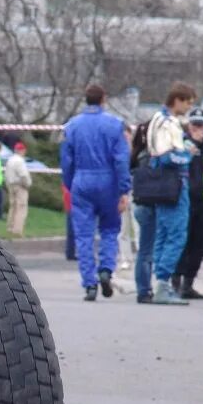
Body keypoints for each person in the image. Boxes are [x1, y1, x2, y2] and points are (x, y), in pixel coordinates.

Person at [61, 83, 131, 301]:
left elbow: (66, 160)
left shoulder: (72, 126)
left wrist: (71, 183)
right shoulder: (115, 125)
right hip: (108, 180)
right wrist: (124, 189)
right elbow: (121, 160)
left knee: (83, 235)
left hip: (82, 179)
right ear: (104, 99)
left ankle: (89, 284)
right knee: (110, 229)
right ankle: (106, 269)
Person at [146, 82, 196, 305]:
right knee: (176, 234)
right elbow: (167, 157)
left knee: (163, 234)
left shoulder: (157, 119)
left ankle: (160, 280)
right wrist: (188, 155)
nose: (188, 108)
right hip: (174, 184)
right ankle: (163, 283)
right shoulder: (167, 123)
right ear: (177, 100)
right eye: (187, 102)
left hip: (162, 186)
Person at [172, 107, 203, 300]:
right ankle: (175, 282)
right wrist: (192, 145)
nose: (197, 129)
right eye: (194, 124)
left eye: (200, 125)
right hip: (185, 197)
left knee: (199, 243)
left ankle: (189, 283)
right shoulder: (180, 142)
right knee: (182, 241)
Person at [129, 120, 156, 303]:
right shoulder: (148, 157)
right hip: (147, 205)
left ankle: (145, 287)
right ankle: (143, 289)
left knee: (145, 249)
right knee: (146, 250)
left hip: (140, 205)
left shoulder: (136, 155)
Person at [5, 141, 32, 237]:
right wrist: (27, 184)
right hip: (20, 186)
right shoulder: (20, 161)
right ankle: (17, 230)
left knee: (13, 207)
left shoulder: (10, 160)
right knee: (21, 207)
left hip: (11, 185)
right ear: (22, 150)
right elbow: (23, 175)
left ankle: (10, 227)